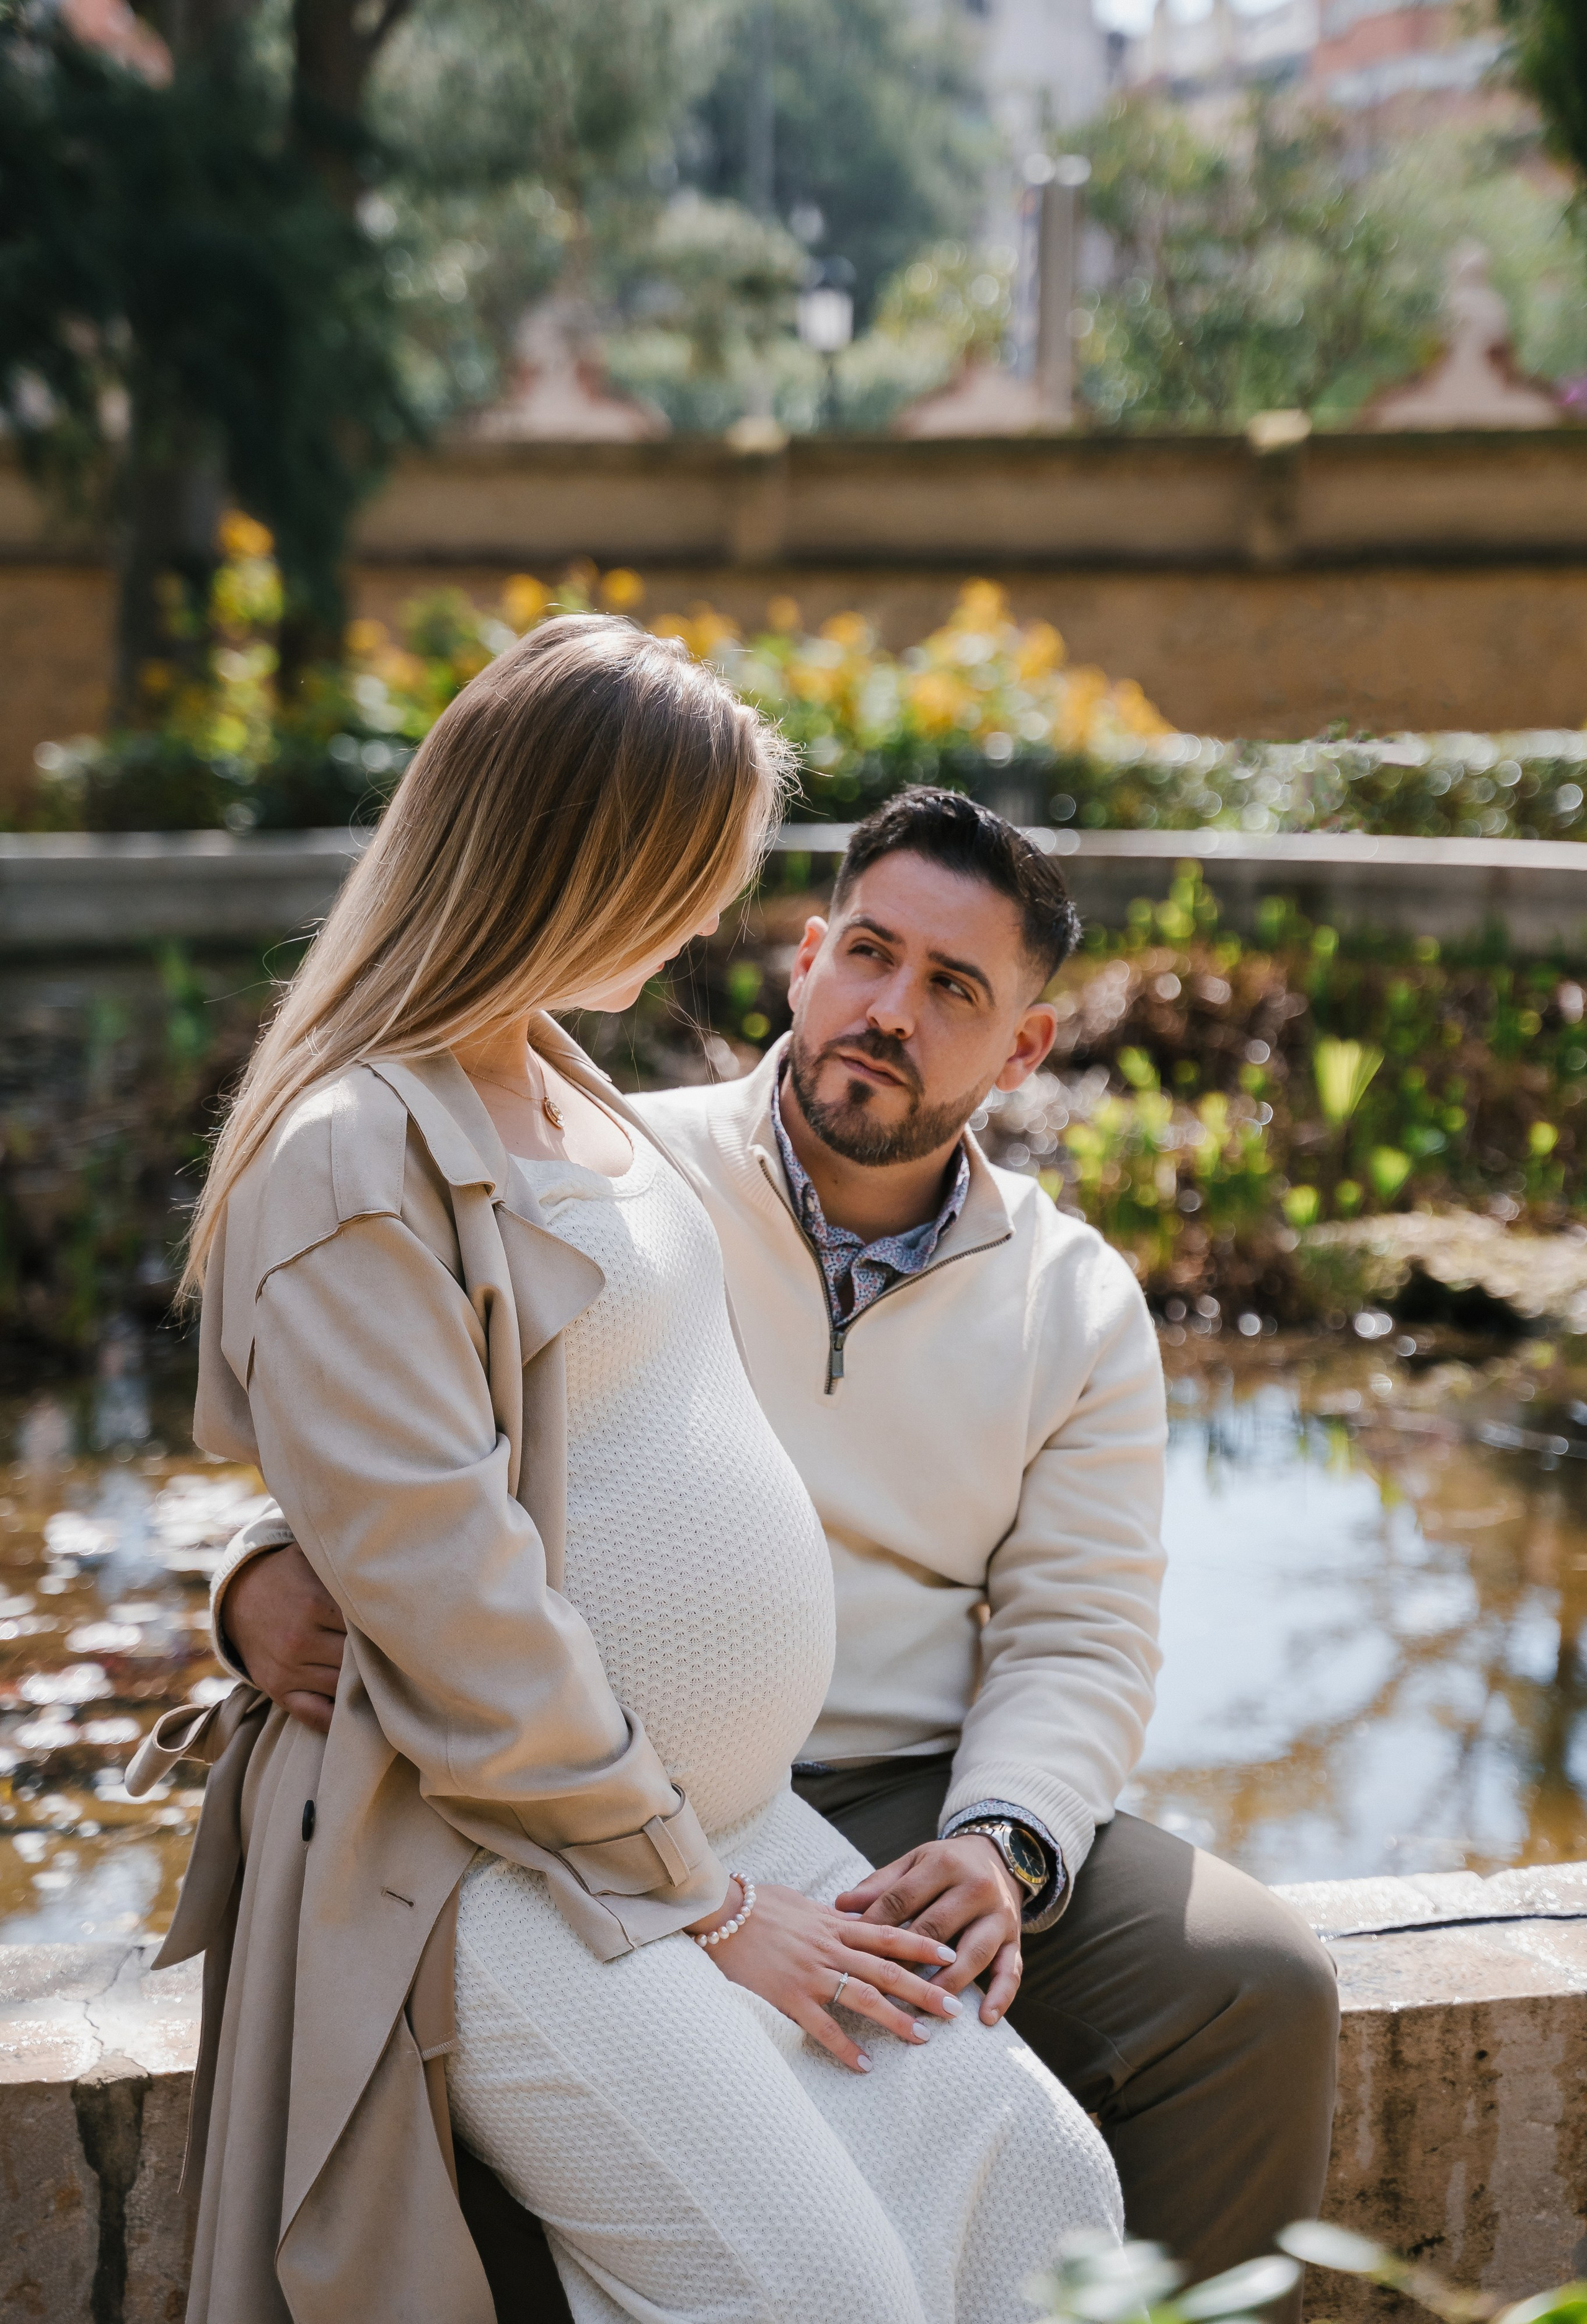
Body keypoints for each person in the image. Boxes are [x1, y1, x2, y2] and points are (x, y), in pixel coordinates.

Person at [228, 784, 1342, 2324]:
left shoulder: (1075, 1300)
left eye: (952, 989)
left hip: (904, 1798)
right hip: (599, 1776)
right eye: (870, 956)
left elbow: (1077, 1632)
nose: (889, 1012)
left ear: (1022, 1049)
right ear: (807, 957)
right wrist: (248, 1576)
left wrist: (1000, 1846)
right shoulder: (614, 1164)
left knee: (1250, 1983)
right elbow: (385, 1422)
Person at [130, 622, 1121, 2324]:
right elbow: (433, 1573)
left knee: (1044, 2190)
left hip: (732, 1825)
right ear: (580, 864)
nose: (707, 925)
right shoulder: (355, 1153)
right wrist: (708, 1901)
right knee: (818, 2294)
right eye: (690, 876)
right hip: (497, 1856)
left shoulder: (573, 1086)